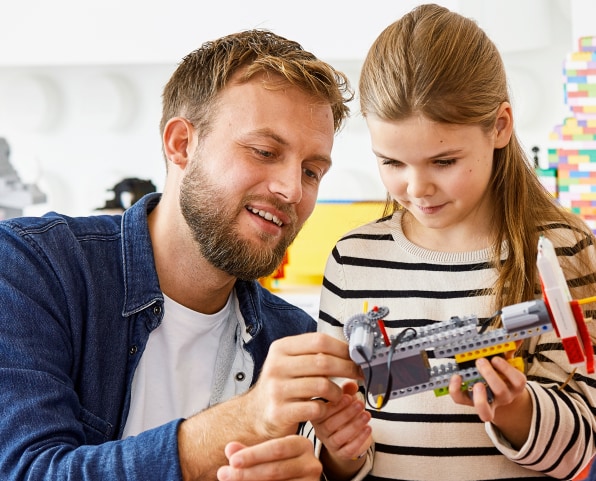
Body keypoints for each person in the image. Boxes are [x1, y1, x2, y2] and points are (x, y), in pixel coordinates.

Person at [0, 30, 373, 481]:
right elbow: (27, 471)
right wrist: (246, 419)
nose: (292, 190)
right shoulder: (34, 266)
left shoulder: (290, 336)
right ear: (181, 144)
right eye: (265, 151)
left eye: (311, 171)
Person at [317, 4, 596, 481]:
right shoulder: (352, 260)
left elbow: (582, 444)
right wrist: (338, 452)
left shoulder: (561, 251)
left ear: (501, 126)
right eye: (392, 163)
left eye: (443, 161)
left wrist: (516, 410)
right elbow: (330, 429)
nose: (417, 188)